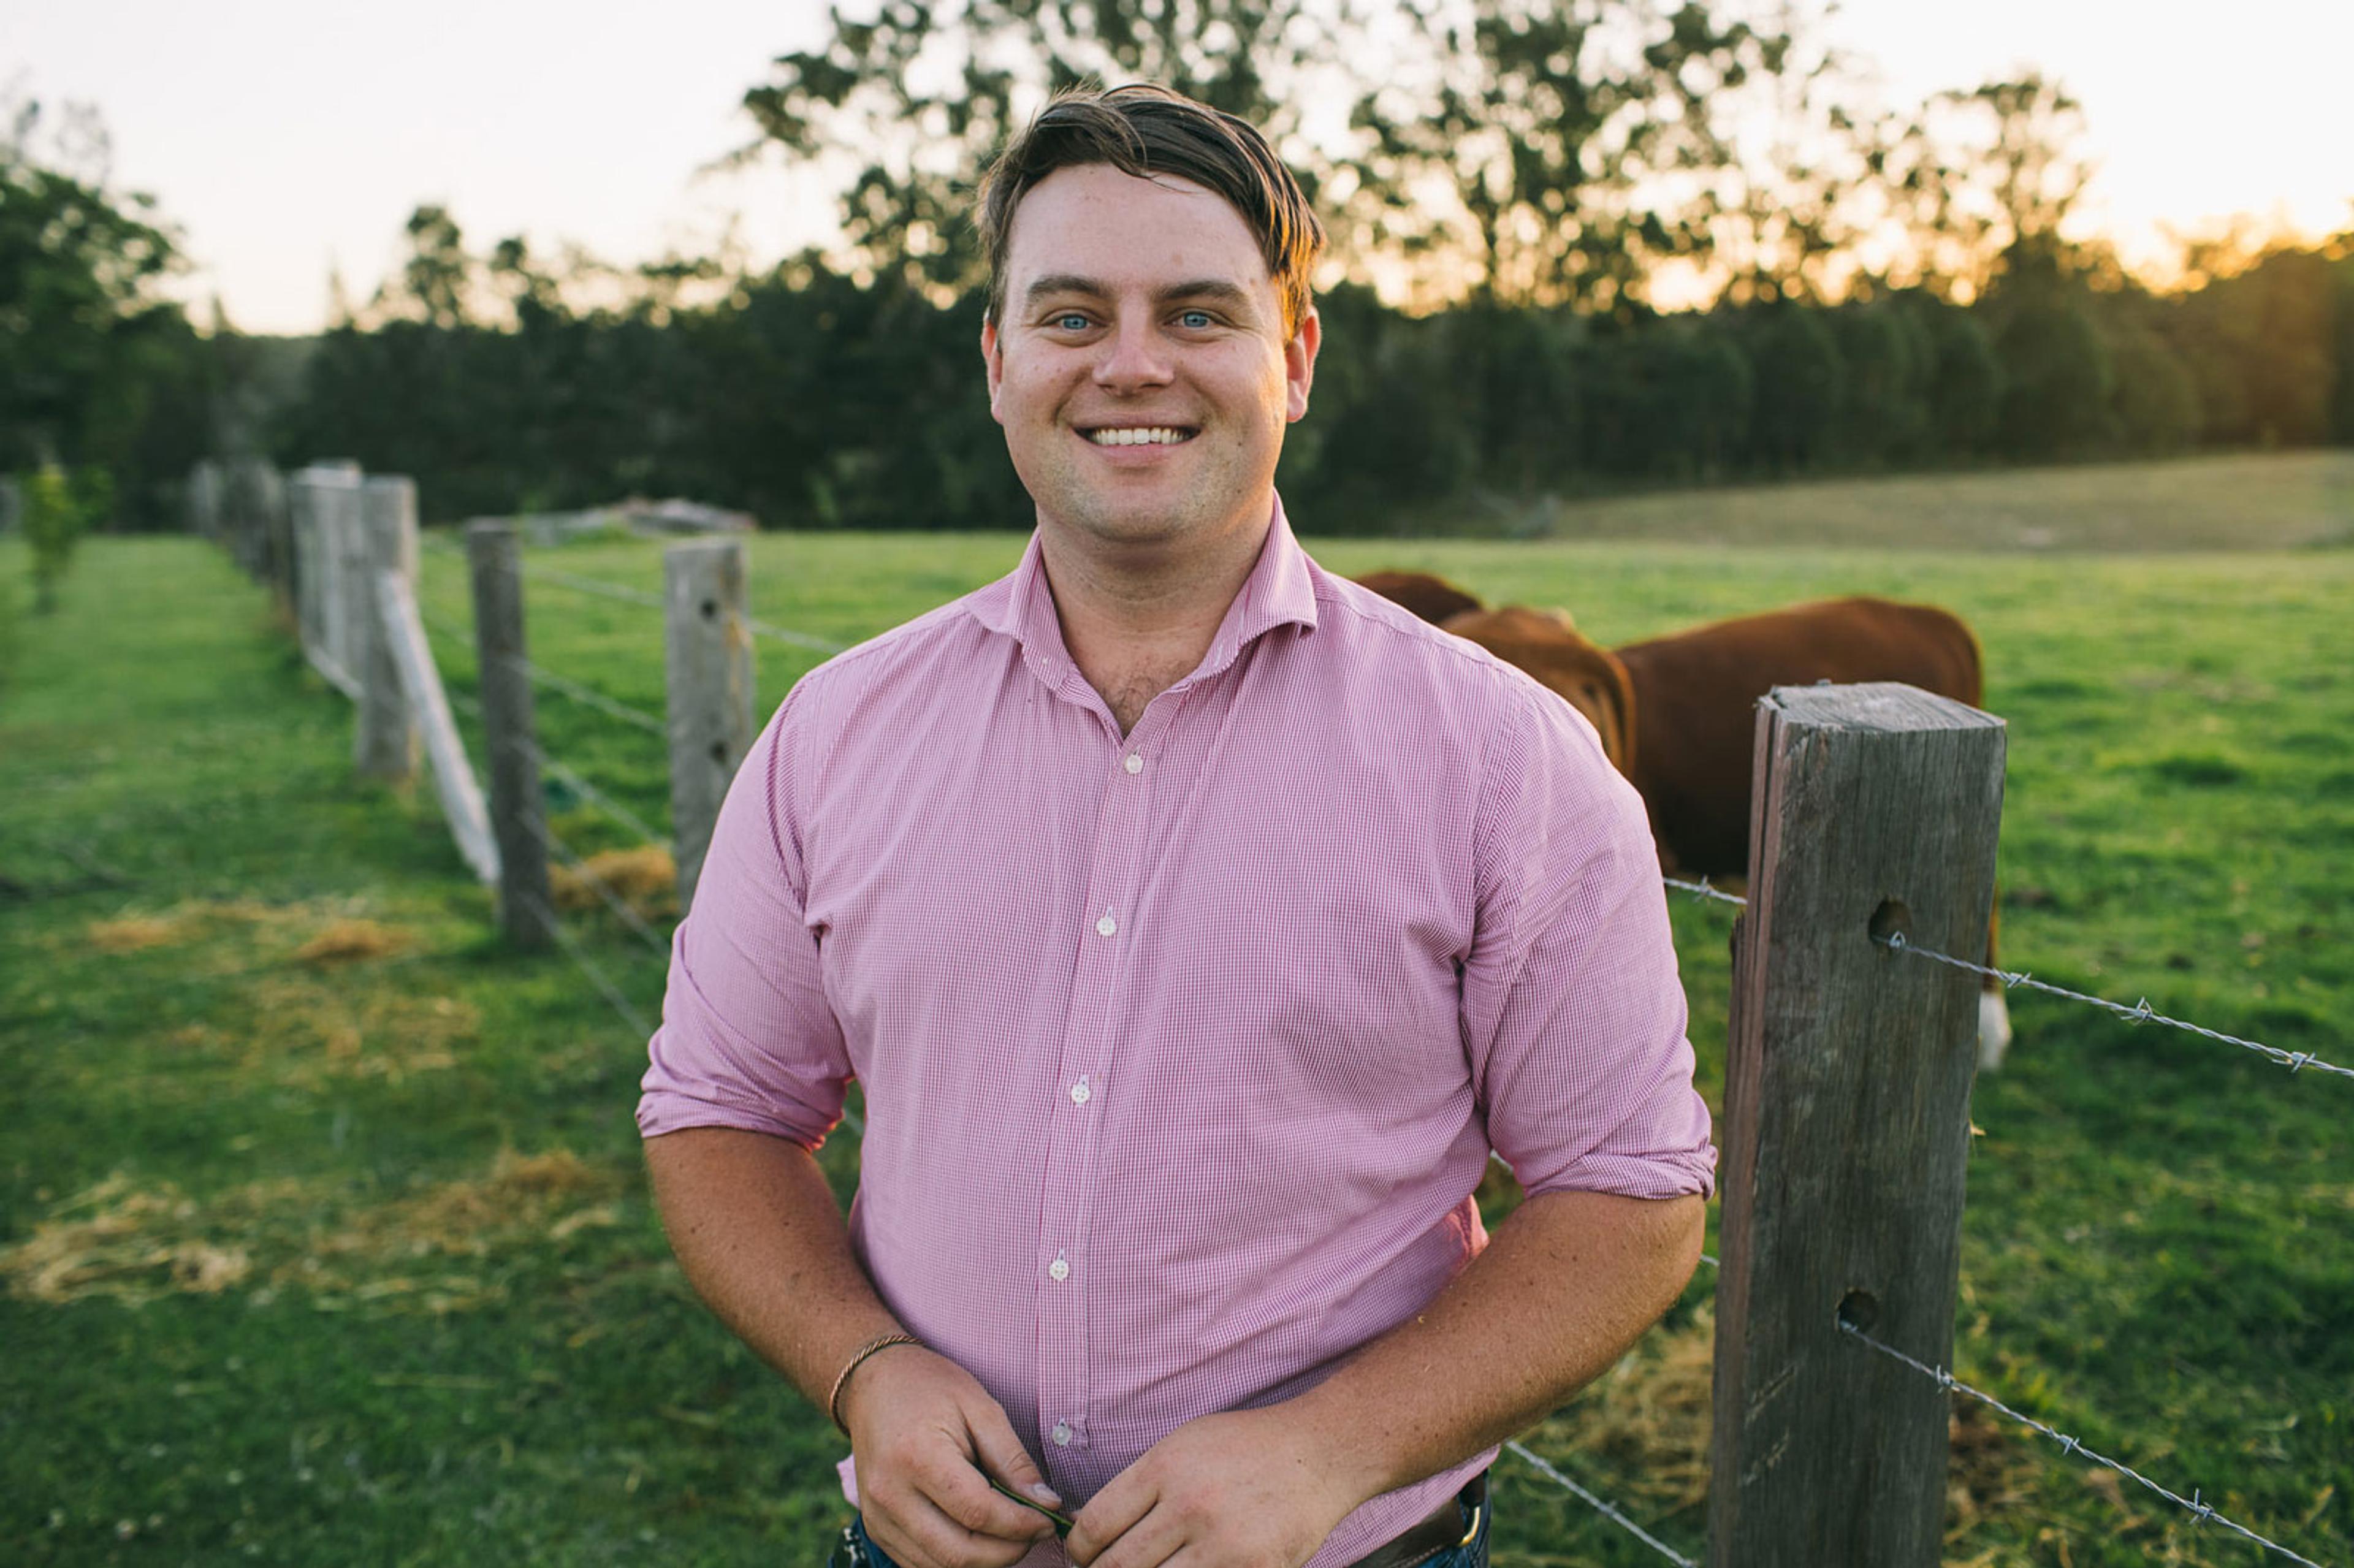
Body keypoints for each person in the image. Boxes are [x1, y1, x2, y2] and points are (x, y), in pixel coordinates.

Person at [637, 82, 1715, 1568]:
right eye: (1073, 315)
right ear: (999, 359)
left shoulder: (1504, 758)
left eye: (1199, 313)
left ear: (1298, 354)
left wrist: (1332, 1451)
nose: (1131, 365)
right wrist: (862, 1367)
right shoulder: (834, 735)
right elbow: (721, 1114)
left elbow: (1632, 1191)